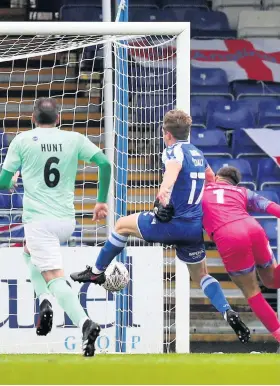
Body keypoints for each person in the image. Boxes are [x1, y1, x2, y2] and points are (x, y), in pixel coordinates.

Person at [71, 109, 250, 344]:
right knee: (202, 275)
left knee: (122, 225)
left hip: (171, 223)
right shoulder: (198, 153)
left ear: (166, 134)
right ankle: (228, 311)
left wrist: (162, 197)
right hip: (193, 228)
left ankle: (95, 272)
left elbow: (172, 172)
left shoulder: (173, 151)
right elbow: (211, 181)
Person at [0, 97, 111, 356]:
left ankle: (85, 323)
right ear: (59, 119)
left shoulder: (23, 140)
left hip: (39, 220)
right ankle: (45, 301)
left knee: (54, 276)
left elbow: (3, 182)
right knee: (28, 252)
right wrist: (100, 202)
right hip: (66, 220)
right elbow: (105, 163)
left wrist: (14, 178)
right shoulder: (73, 138)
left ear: (32, 119)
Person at [202, 165, 280, 347]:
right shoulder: (242, 191)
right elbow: (271, 206)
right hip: (253, 228)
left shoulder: (201, 192)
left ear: (217, 177)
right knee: (273, 281)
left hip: (229, 234)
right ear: (235, 182)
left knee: (252, 291)